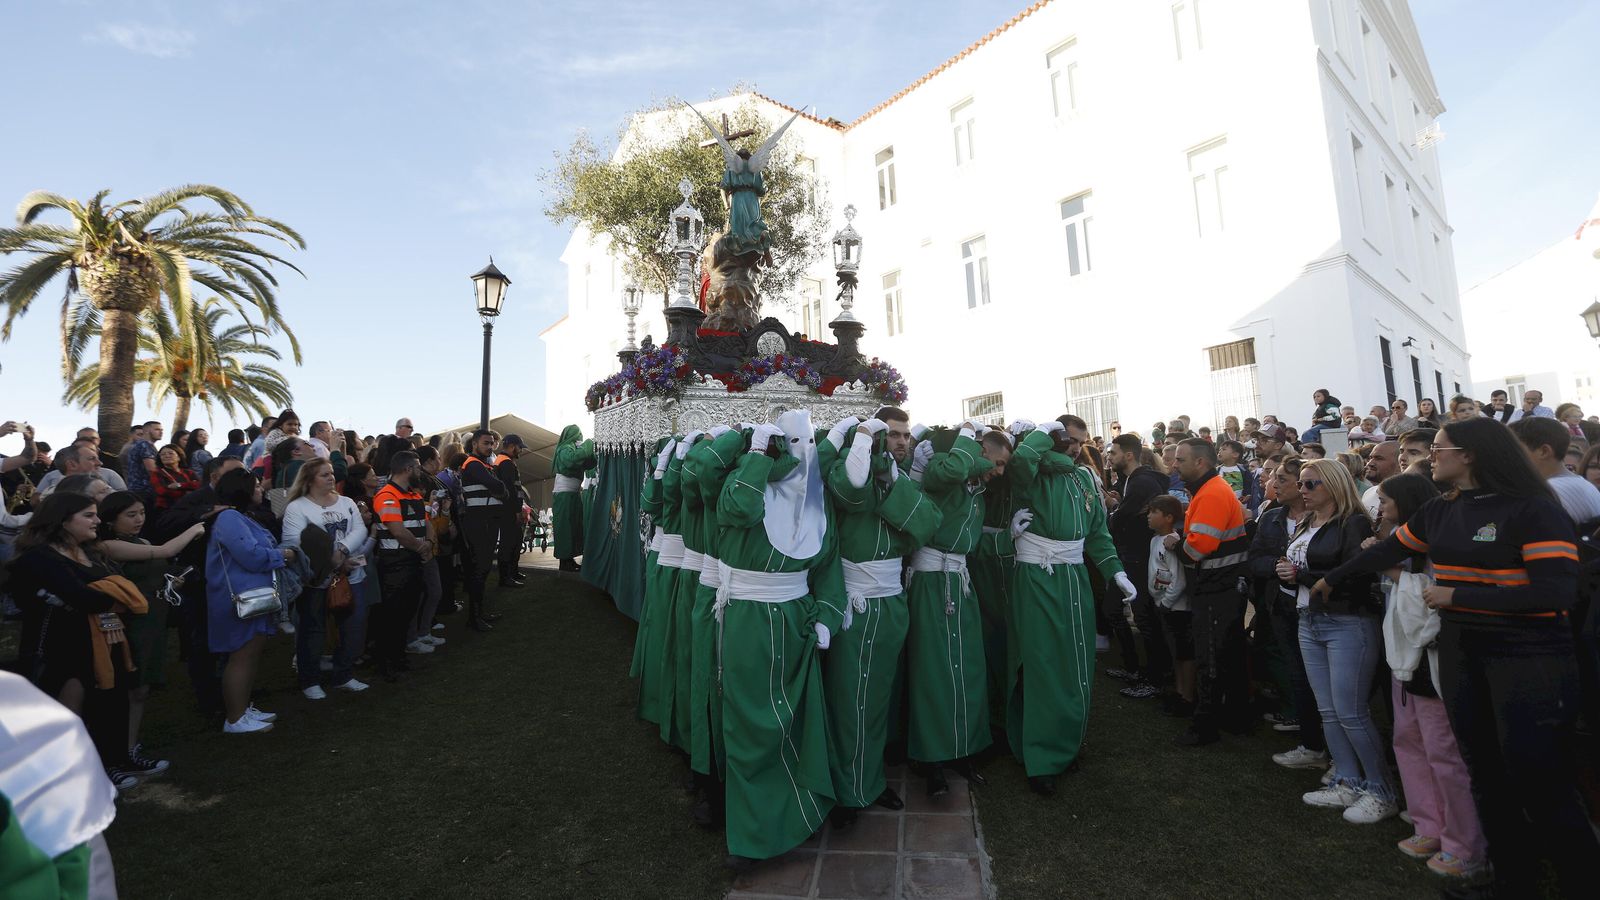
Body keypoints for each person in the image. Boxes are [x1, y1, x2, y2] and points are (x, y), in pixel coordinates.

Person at [1315, 417, 1596, 895]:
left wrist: (1458, 597)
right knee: (1484, 773)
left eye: (1439, 449)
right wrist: (1330, 579)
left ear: (1469, 455)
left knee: (1539, 778)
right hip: (1463, 652)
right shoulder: (1443, 510)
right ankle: (1510, 879)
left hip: (1529, 658)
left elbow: (1556, 593)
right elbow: (1385, 551)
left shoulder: (1533, 510)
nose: (1429, 457)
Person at [714, 411, 846, 867]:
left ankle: (802, 809)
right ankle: (753, 834)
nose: (800, 453)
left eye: (807, 443)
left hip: (797, 622)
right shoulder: (745, 485)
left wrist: (827, 615)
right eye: (789, 443)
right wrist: (755, 458)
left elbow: (829, 568)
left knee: (799, 720)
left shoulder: (818, 504)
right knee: (752, 724)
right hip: (749, 620)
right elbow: (738, 510)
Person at [821, 409, 939, 822]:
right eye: (893, 435)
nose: (902, 442)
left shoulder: (899, 478)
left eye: (906, 435)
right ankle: (847, 790)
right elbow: (850, 493)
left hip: (891, 601)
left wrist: (893, 488)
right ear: (872, 436)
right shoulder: (847, 470)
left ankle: (868, 780)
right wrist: (887, 490)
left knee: (879, 698)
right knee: (851, 698)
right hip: (857, 601)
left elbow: (927, 526)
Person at [1007, 416, 1135, 794]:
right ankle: (1040, 758)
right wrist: (1039, 437)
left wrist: (1115, 572)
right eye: (1067, 439)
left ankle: (1067, 743)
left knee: (1076, 661)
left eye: (1079, 441)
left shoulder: (1084, 479)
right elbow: (1018, 465)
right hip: (1037, 577)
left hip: (1075, 577)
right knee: (1043, 663)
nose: (1075, 447)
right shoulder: (1033, 474)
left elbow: (1097, 532)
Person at [1371, 473, 1489, 879]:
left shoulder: (1438, 543)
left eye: (1386, 501)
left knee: (1444, 751)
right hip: (1404, 657)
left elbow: (1435, 598)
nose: (1380, 508)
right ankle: (1427, 823)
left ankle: (1464, 843)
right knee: (1408, 740)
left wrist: (1394, 574)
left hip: (1435, 658)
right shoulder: (1392, 540)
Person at [1276, 459, 1395, 823]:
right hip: (1309, 619)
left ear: (1334, 485)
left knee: (1351, 712)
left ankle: (1380, 790)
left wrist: (1299, 574)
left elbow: (1355, 575)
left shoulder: (1352, 523)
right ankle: (1347, 779)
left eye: (1312, 484)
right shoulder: (1307, 523)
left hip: (1346, 622)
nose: (1303, 491)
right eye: (1302, 484)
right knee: (1328, 709)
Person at [5, 492, 146, 789]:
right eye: (89, 515)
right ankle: (74, 777)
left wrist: (110, 595)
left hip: (107, 637)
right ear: (63, 520)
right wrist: (115, 596)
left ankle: (114, 762)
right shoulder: (39, 557)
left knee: (112, 699)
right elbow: (86, 598)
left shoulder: (90, 551)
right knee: (73, 710)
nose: (98, 520)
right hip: (61, 645)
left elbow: (115, 589)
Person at [906, 420, 1011, 796]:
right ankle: (931, 758)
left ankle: (963, 748)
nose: (999, 473)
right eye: (997, 463)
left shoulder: (977, 493)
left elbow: (970, 543)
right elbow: (945, 475)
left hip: (959, 584)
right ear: (981, 453)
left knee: (967, 667)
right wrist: (970, 448)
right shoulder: (945, 477)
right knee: (931, 670)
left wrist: (1006, 539)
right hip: (931, 581)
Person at [1167, 438, 1251, 746]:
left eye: (1179, 459)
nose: (1174, 464)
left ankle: (1206, 726)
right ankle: (1235, 717)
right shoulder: (1209, 489)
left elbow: (1195, 550)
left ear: (1200, 462)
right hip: (1220, 586)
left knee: (1212, 657)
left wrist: (1176, 543)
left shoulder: (1212, 492)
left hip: (1217, 587)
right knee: (1227, 655)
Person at [1248, 458, 1328, 768]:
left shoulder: (1332, 519)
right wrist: (1277, 567)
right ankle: (1311, 742)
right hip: (1281, 606)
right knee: (1296, 671)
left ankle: (1331, 748)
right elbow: (1254, 560)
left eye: (1283, 478)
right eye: (1274, 477)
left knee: (1325, 681)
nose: (1273, 483)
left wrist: (1298, 572)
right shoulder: (1270, 518)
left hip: (1322, 610)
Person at [206, 467, 293, 734]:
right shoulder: (230, 518)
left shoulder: (241, 517)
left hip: (255, 597)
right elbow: (252, 555)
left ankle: (242, 709)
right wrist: (284, 555)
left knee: (250, 655)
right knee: (242, 656)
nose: (261, 489)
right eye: (256, 486)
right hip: (240, 599)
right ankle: (235, 717)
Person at [280, 457, 372, 699]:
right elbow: (295, 542)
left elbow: (359, 529)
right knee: (313, 629)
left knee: (353, 626)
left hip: (351, 574)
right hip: (314, 579)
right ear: (309, 480)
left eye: (331, 473)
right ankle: (309, 680)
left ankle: (344, 674)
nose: (331, 477)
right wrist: (331, 560)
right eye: (324, 474)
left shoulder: (347, 501)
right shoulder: (296, 507)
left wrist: (341, 552)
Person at [1106, 433, 1172, 700]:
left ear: (1129, 455)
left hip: (1139, 557)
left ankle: (1154, 677)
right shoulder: (1131, 480)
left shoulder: (1143, 482)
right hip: (1129, 555)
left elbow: (1120, 519)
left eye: (1113, 453)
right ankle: (1134, 667)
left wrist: (1113, 508)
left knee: (1145, 618)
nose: (1109, 457)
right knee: (1113, 609)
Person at [371, 451, 433, 682]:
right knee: (393, 616)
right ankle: (386, 664)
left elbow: (424, 524)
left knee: (406, 612)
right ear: (408, 469)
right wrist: (421, 547)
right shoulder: (386, 495)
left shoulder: (412, 495)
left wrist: (429, 543)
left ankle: (398, 659)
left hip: (412, 561)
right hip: (395, 564)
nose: (421, 472)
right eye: (418, 467)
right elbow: (397, 531)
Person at [1146, 495, 1195, 714]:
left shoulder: (1171, 543)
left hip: (1177, 608)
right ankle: (1178, 691)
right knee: (1176, 651)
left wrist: (1166, 602)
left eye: (1153, 512)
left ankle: (1187, 696)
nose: (1148, 516)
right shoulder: (1155, 539)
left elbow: (1179, 579)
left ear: (1168, 517)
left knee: (1185, 653)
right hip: (1163, 604)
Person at [456, 430, 507, 631]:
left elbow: (501, 488)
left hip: (487, 521)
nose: (490, 447)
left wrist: (500, 488)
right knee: (480, 569)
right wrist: (500, 488)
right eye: (486, 443)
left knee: (483, 569)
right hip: (479, 522)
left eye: (492, 443)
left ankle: (479, 613)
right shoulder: (473, 464)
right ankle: (474, 618)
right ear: (475, 443)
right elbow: (497, 485)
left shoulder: (485, 465)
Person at [1510, 416, 1600, 524]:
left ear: (1544, 451)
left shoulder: (1548, 494)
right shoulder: (1583, 483)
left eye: (1516, 450)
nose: (1511, 457)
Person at [551, 425, 596, 572]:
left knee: (573, 527)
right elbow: (572, 460)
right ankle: (564, 562)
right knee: (565, 528)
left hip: (572, 494)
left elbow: (588, 463)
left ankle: (569, 559)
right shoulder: (565, 449)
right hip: (564, 495)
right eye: (579, 435)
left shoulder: (572, 448)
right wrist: (589, 443)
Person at [495, 434, 530, 587]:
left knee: (514, 541)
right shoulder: (506, 463)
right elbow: (510, 489)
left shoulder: (503, 461)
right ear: (512, 446)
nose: (520, 450)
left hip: (508, 508)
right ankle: (506, 577)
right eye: (520, 447)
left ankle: (512, 572)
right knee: (508, 543)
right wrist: (517, 510)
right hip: (508, 510)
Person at [150, 444, 199, 512]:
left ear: (179, 457)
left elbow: (198, 485)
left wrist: (180, 485)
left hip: (189, 507)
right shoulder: (157, 473)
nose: (167, 456)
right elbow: (162, 491)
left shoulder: (189, 472)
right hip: (167, 509)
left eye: (171, 453)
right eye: (163, 454)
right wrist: (188, 491)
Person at [1360, 441, 1401, 517]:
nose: (1370, 463)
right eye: (1370, 458)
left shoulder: (1404, 499)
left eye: (1379, 458)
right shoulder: (1368, 493)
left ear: (1399, 464)